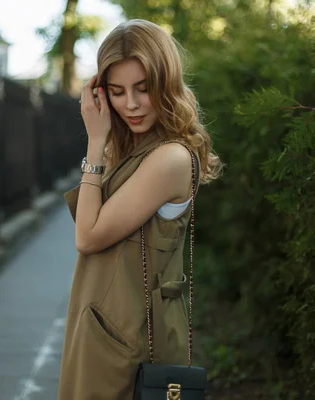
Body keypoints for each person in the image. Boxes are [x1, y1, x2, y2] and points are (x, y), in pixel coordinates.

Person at [57, 19, 222, 399]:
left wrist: (95, 142)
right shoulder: (137, 147)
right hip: (107, 328)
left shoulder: (170, 158)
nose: (129, 104)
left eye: (143, 89)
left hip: (130, 341)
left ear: (166, 84)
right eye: (116, 91)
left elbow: (88, 236)